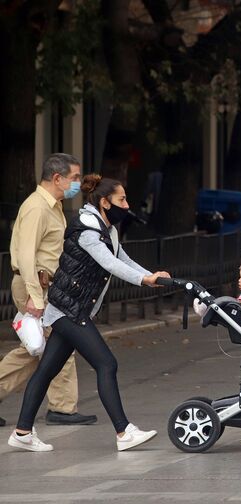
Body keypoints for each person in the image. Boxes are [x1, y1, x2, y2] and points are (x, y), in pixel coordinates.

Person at [8, 175, 169, 452]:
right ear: (104, 202)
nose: (127, 205)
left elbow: (122, 258)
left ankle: (22, 432)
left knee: (46, 370)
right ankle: (123, 432)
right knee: (107, 364)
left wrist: (152, 275)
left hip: (72, 307)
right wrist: (144, 281)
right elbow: (110, 264)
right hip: (69, 310)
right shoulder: (87, 230)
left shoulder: (108, 229)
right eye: (121, 200)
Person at [0, 154, 97, 428]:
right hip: (36, 285)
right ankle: (62, 408)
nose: (78, 183)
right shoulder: (37, 208)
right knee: (54, 344)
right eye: (75, 178)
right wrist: (34, 295)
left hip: (47, 286)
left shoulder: (53, 206)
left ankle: (63, 407)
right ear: (58, 178)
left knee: (45, 348)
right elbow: (26, 254)